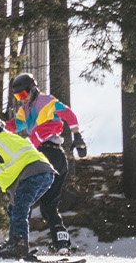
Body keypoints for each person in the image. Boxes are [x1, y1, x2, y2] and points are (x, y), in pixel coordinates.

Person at [8, 72, 86, 253]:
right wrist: (0, 127)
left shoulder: (47, 101)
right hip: (56, 159)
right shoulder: (24, 111)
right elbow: (16, 126)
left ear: (33, 89)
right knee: (48, 207)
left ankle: (17, 241)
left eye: (23, 95)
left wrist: (77, 135)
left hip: (47, 154)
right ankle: (62, 244)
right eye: (18, 96)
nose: (22, 99)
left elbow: (68, 114)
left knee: (21, 198)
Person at [0, 118, 57, 260]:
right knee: (14, 208)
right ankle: (13, 241)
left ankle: (19, 244)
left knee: (20, 207)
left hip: (31, 175)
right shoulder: (14, 138)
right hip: (46, 174)